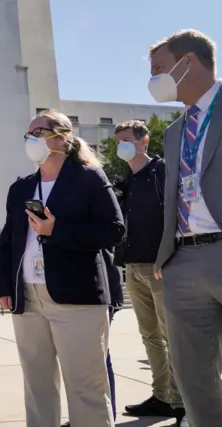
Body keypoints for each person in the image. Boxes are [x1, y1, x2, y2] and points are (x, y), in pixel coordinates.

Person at [0, 109, 124, 427]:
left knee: (86, 388)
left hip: (76, 296)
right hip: (27, 296)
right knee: (36, 387)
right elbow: (8, 241)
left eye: (38, 132)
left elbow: (114, 230)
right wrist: (2, 287)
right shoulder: (21, 188)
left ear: (62, 138)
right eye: (29, 133)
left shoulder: (89, 179)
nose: (31, 138)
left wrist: (57, 230)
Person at [150, 29, 222, 427]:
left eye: (159, 68)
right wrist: (167, 256)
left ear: (188, 61)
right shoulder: (176, 131)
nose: (153, 79)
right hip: (182, 261)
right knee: (194, 381)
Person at [113, 120, 184, 423]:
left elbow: (177, 215)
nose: (121, 147)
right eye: (118, 141)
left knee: (174, 336)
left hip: (161, 266)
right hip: (133, 265)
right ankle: (162, 397)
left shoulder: (163, 171)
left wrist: (167, 257)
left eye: (126, 140)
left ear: (143, 142)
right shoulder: (124, 178)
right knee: (150, 336)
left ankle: (183, 403)